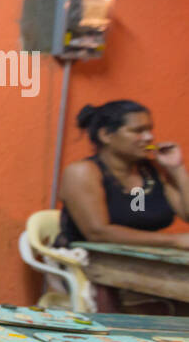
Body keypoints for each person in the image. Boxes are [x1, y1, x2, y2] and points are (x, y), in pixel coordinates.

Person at [56, 101, 188, 248]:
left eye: (150, 130)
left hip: (145, 263)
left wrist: (178, 169)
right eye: (138, 131)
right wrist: (174, 241)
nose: (149, 137)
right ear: (105, 135)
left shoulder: (154, 170)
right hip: (85, 263)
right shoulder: (82, 172)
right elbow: (98, 233)